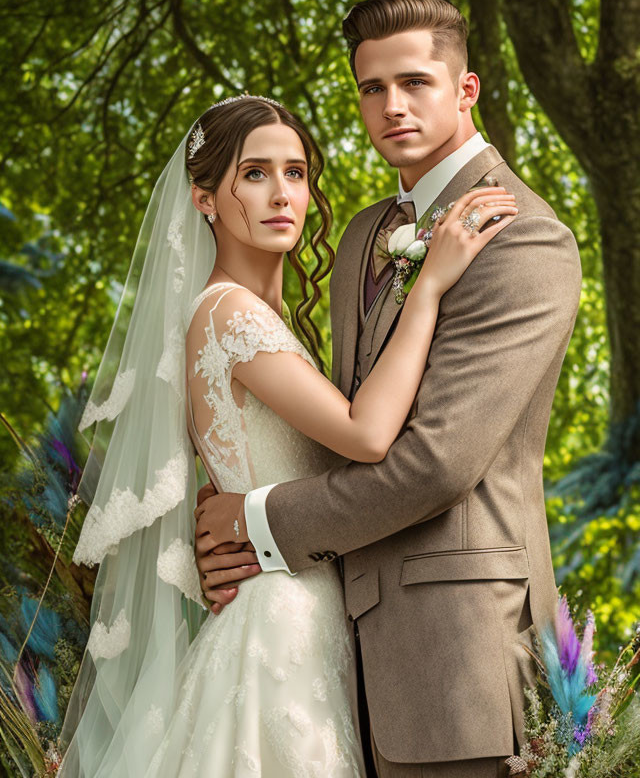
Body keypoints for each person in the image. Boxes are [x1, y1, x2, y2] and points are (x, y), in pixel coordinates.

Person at [58, 92, 515, 777]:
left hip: (301, 611)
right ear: (204, 197)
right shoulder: (229, 316)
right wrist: (429, 288)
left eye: (296, 173)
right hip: (279, 628)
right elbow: (367, 436)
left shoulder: (260, 324)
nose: (282, 194)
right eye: (254, 173)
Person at [194, 0, 583, 778]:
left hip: (458, 655)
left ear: (466, 89)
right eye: (372, 88)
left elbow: (438, 463)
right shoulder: (365, 234)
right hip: (334, 648)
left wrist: (256, 523)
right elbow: (343, 435)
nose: (391, 107)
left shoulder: (527, 240)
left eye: (415, 83)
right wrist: (233, 541)